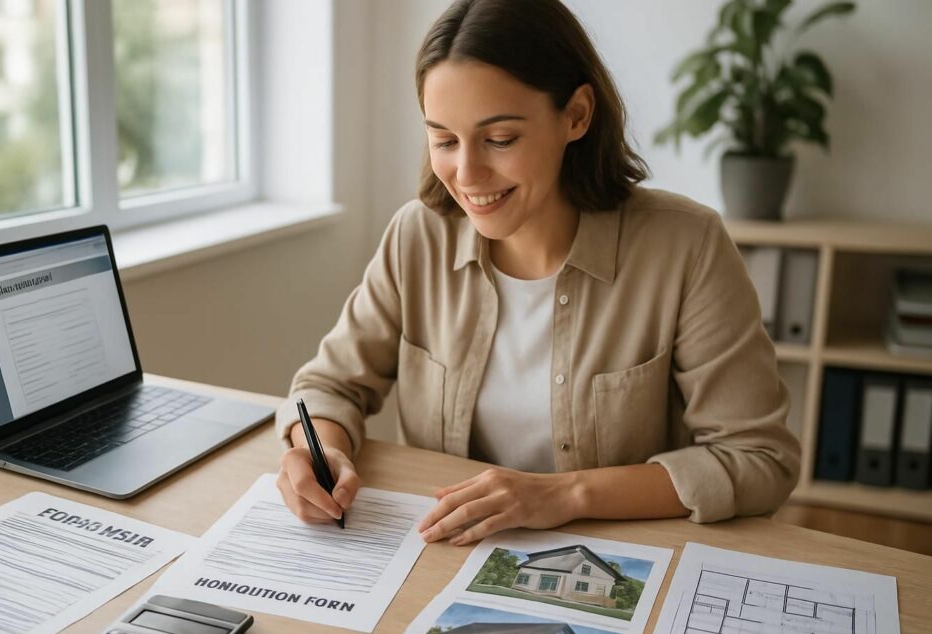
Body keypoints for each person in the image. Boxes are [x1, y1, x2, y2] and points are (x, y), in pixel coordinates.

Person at [274, 0, 800, 545]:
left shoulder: (686, 245)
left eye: (500, 139)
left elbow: (760, 460)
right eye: (444, 140)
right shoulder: (418, 236)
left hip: (620, 559)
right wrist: (318, 449)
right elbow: (329, 385)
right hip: (447, 555)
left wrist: (565, 494)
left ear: (576, 115)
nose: (468, 174)